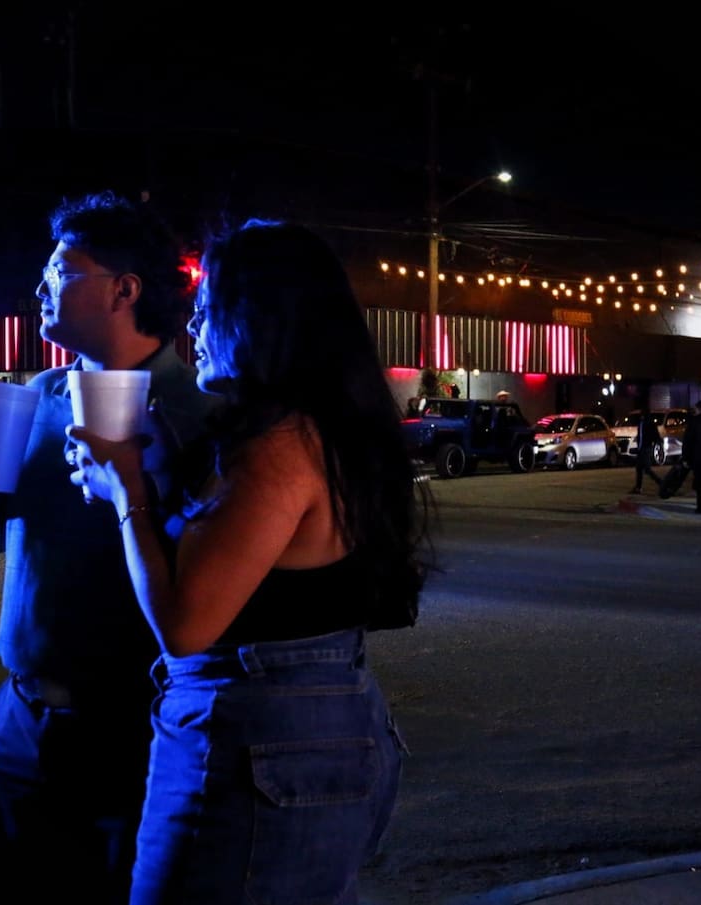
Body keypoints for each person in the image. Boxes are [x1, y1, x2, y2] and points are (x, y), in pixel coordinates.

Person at [65, 218, 432, 904]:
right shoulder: (312, 428)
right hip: (305, 722)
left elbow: (185, 626)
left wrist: (127, 492)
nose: (193, 327)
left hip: (266, 729)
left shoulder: (279, 446)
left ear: (258, 318)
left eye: (209, 309)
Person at [0, 190, 213, 905]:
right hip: (24, 716)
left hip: (138, 724)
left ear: (125, 289)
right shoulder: (37, 395)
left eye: (61, 271)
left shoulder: (197, 413)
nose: (40, 287)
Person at [628, 406, 662, 494]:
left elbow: (655, 436)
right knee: (639, 468)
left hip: (646, 448)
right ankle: (638, 487)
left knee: (647, 469)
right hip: (642, 448)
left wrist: (656, 443)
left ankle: (661, 483)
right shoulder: (642, 423)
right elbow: (641, 436)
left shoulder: (649, 423)